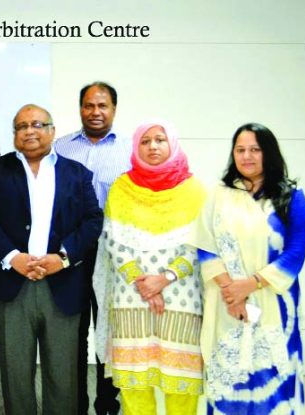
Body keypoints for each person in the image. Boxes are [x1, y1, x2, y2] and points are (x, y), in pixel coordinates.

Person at [0, 104, 102, 415]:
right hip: (12, 287)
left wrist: (64, 257)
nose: (29, 131)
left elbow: (93, 220)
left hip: (63, 286)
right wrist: (12, 256)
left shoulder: (77, 173)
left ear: (52, 131)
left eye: (37, 124)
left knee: (63, 374)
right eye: (21, 126)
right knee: (15, 373)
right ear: (14, 134)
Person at [194, 123, 305, 414]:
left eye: (255, 149)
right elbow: (205, 246)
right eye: (240, 149)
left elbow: (295, 253)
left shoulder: (292, 198)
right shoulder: (218, 196)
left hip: (275, 304)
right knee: (230, 377)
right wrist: (231, 292)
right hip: (227, 305)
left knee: (271, 374)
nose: (247, 156)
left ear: (268, 153)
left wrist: (251, 284)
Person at [98, 120, 205, 415]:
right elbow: (113, 239)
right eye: (145, 141)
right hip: (131, 294)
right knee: (134, 382)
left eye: (160, 140)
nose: (153, 146)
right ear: (135, 147)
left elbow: (201, 242)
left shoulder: (193, 190)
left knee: (180, 379)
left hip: (180, 296)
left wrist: (165, 278)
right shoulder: (122, 187)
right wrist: (142, 283)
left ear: (172, 144)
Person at [54, 81, 129, 415]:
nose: (95, 112)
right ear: (80, 108)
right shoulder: (60, 147)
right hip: (70, 252)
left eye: (103, 106)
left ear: (114, 108)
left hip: (113, 252)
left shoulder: (130, 150)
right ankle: (74, 404)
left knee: (109, 329)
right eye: (88, 105)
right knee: (72, 329)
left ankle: (107, 402)